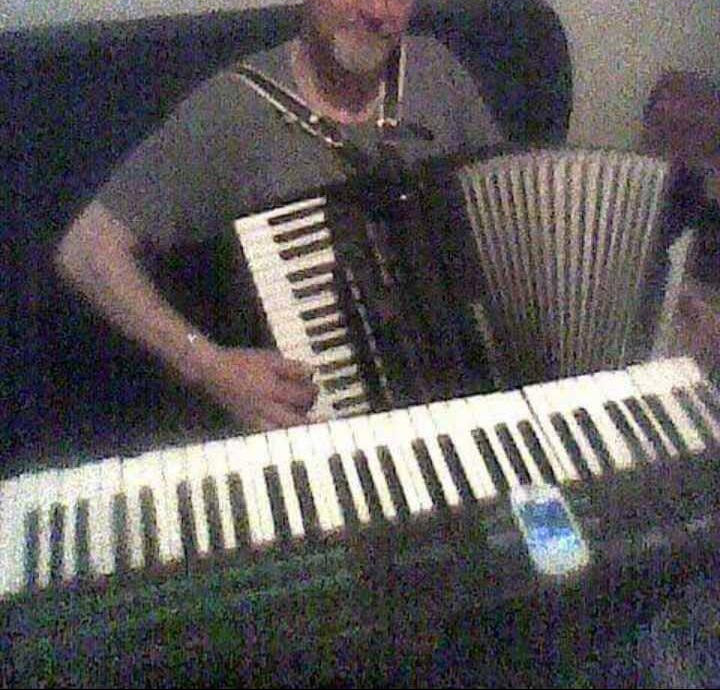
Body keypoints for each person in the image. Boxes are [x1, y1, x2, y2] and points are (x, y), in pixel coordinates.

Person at [55, 0, 504, 433]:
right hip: (319, 429)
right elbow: (86, 251)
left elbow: (502, 213)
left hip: (465, 409)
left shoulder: (437, 73)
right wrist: (210, 366)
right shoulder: (232, 111)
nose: (379, 11)